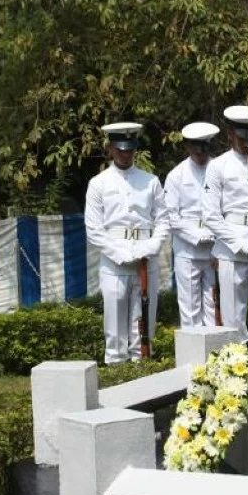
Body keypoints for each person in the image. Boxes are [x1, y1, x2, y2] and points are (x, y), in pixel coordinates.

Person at [85, 122, 171, 363]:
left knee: (143, 327)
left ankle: (142, 373)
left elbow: (163, 220)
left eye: (130, 149)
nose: (126, 153)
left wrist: (151, 247)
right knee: (114, 330)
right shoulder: (99, 183)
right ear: (111, 148)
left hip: (146, 257)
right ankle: (116, 372)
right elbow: (94, 229)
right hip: (115, 262)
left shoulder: (151, 181)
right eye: (120, 149)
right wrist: (121, 253)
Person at [203, 105, 248, 343]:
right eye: (242, 138)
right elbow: (211, 215)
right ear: (231, 135)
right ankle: (237, 359)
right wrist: (238, 243)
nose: (246, 144)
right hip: (231, 245)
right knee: (233, 313)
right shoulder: (218, 166)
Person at [164, 122, 220, 328]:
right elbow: (171, 216)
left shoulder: (219, 169)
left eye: (204, 150)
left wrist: (216, 237)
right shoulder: (176, 175)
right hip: (187, 251)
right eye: (196, 150)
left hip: (216, 248)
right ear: (188, 148)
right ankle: (193, 357)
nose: (201, 155)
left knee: (214, 306)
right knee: (190, 309)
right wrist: (197, 235)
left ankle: (218, 356)